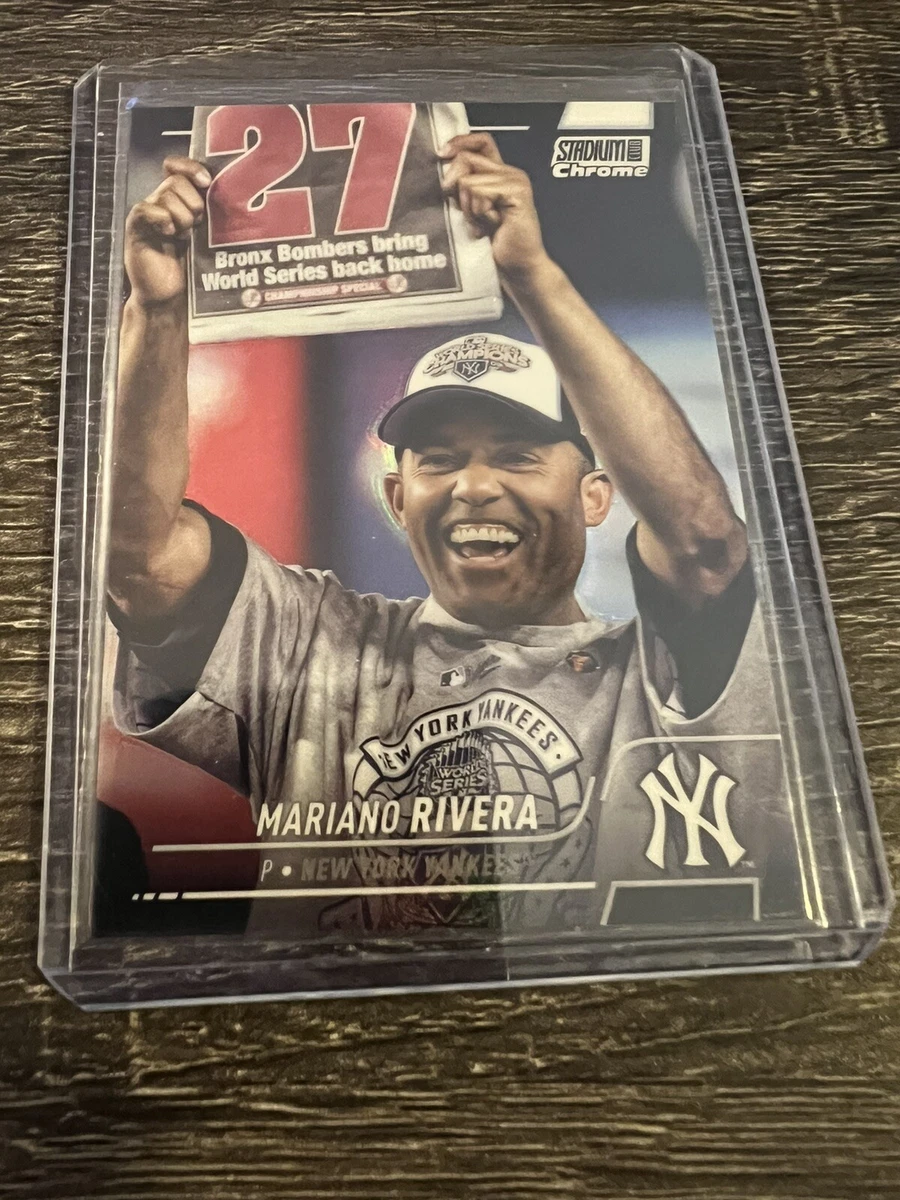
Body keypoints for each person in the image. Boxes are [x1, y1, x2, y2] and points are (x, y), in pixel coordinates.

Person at [110, 134, 794, 935]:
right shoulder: (312, 646)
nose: (473, 485)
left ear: (595, 497)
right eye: (439, 460)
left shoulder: (669, 677)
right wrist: (157, 312)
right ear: (399, 500)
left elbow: (706, 544)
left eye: (517, 455)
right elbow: (143, 559)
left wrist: (534, 276)